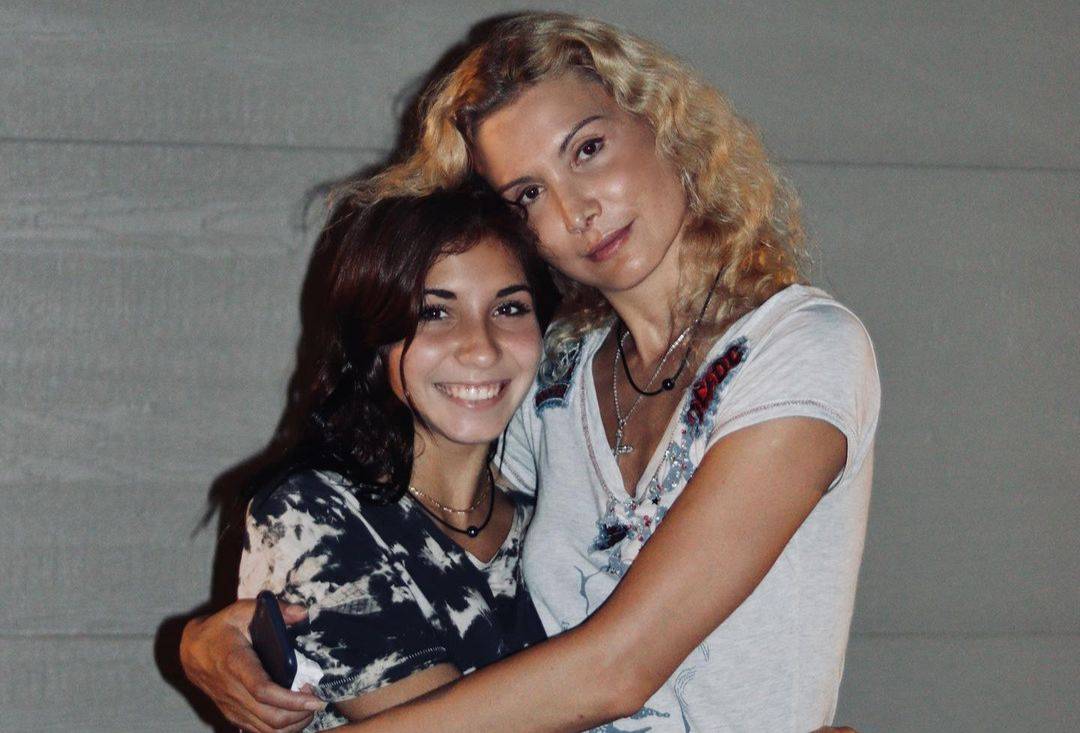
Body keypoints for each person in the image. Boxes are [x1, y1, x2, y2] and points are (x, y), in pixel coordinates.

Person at [181, 12, 880, 732]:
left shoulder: (799, 348)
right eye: (529, 193)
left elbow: (619, 669)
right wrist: (205, 640)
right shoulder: (556, 377)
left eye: (588, 149)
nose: (577, 210)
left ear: (665, 126)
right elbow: (419, 515)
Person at [220, 184, 559, 730]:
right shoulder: (314, 514)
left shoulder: (551, 513)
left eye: (509, 308)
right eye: (434, 312)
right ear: (376, 339)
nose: (481, 347)